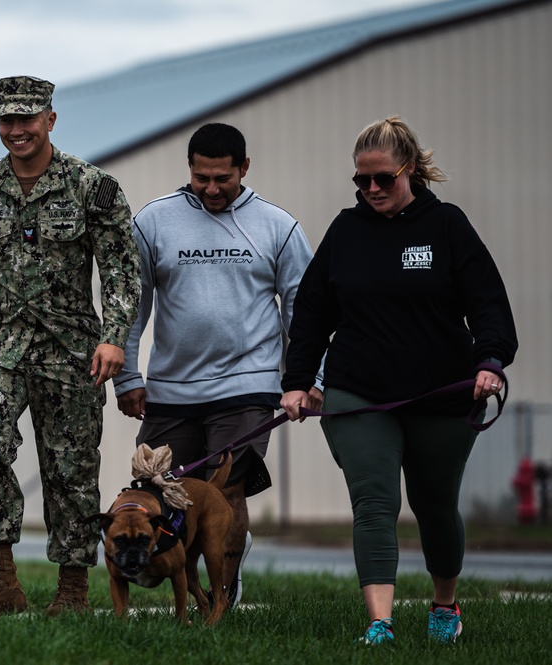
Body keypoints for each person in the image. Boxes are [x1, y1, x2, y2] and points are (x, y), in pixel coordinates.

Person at [280, 116, 517, 645]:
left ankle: (445, 605)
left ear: (410, 169)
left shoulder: (447, 225)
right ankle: (380, 623)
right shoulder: (346, 231)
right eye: (361, 180)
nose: (371, 189)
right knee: (374, 502)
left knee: (435, 505)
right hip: (358, 393)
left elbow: (488, 303)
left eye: (383, 178)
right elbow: (312, 313)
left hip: (442, 394)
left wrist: (490, 361)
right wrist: (297, 381)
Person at [0, 75, 141, 616]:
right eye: (7, 120)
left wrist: (114, 337)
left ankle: (72, 591)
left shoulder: (93, 186)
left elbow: (121, 269)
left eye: (27, 119)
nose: (16, 130)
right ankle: (0, 581)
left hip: (70, 348)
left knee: (71, 469)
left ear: (50, 119)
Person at [114, 122, 323, 610]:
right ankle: (171, 575)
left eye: (222, 179)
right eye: (201, 177)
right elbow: (131, 304)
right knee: (158, 493)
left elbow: (305, 310)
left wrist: (310, 378)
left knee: (226, 491)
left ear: (244, 168)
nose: (211, 189)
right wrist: (127, 376)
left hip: (248, 387)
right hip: (171, 390)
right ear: (189, 168)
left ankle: (221, 597)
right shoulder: (154, 222)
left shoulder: (277, 226)